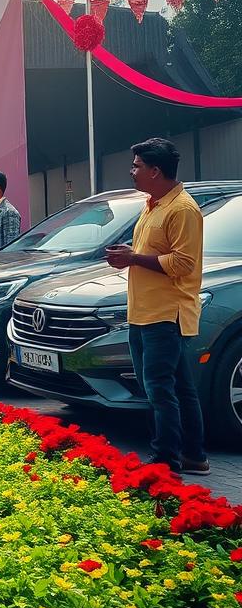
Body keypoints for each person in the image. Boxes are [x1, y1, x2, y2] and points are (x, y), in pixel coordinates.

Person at [105, 138, 208, 475]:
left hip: (166, 314)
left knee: (159, 390)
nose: (131, 171)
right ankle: (194, 456)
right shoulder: (154, 204)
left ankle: (166, 461)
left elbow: (183, 263)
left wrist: (133, 258)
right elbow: (154, 253)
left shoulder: (182, 209)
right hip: (146, 311)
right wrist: (130, 255)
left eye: (136, 166)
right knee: (178, 388)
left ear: (155, 171)